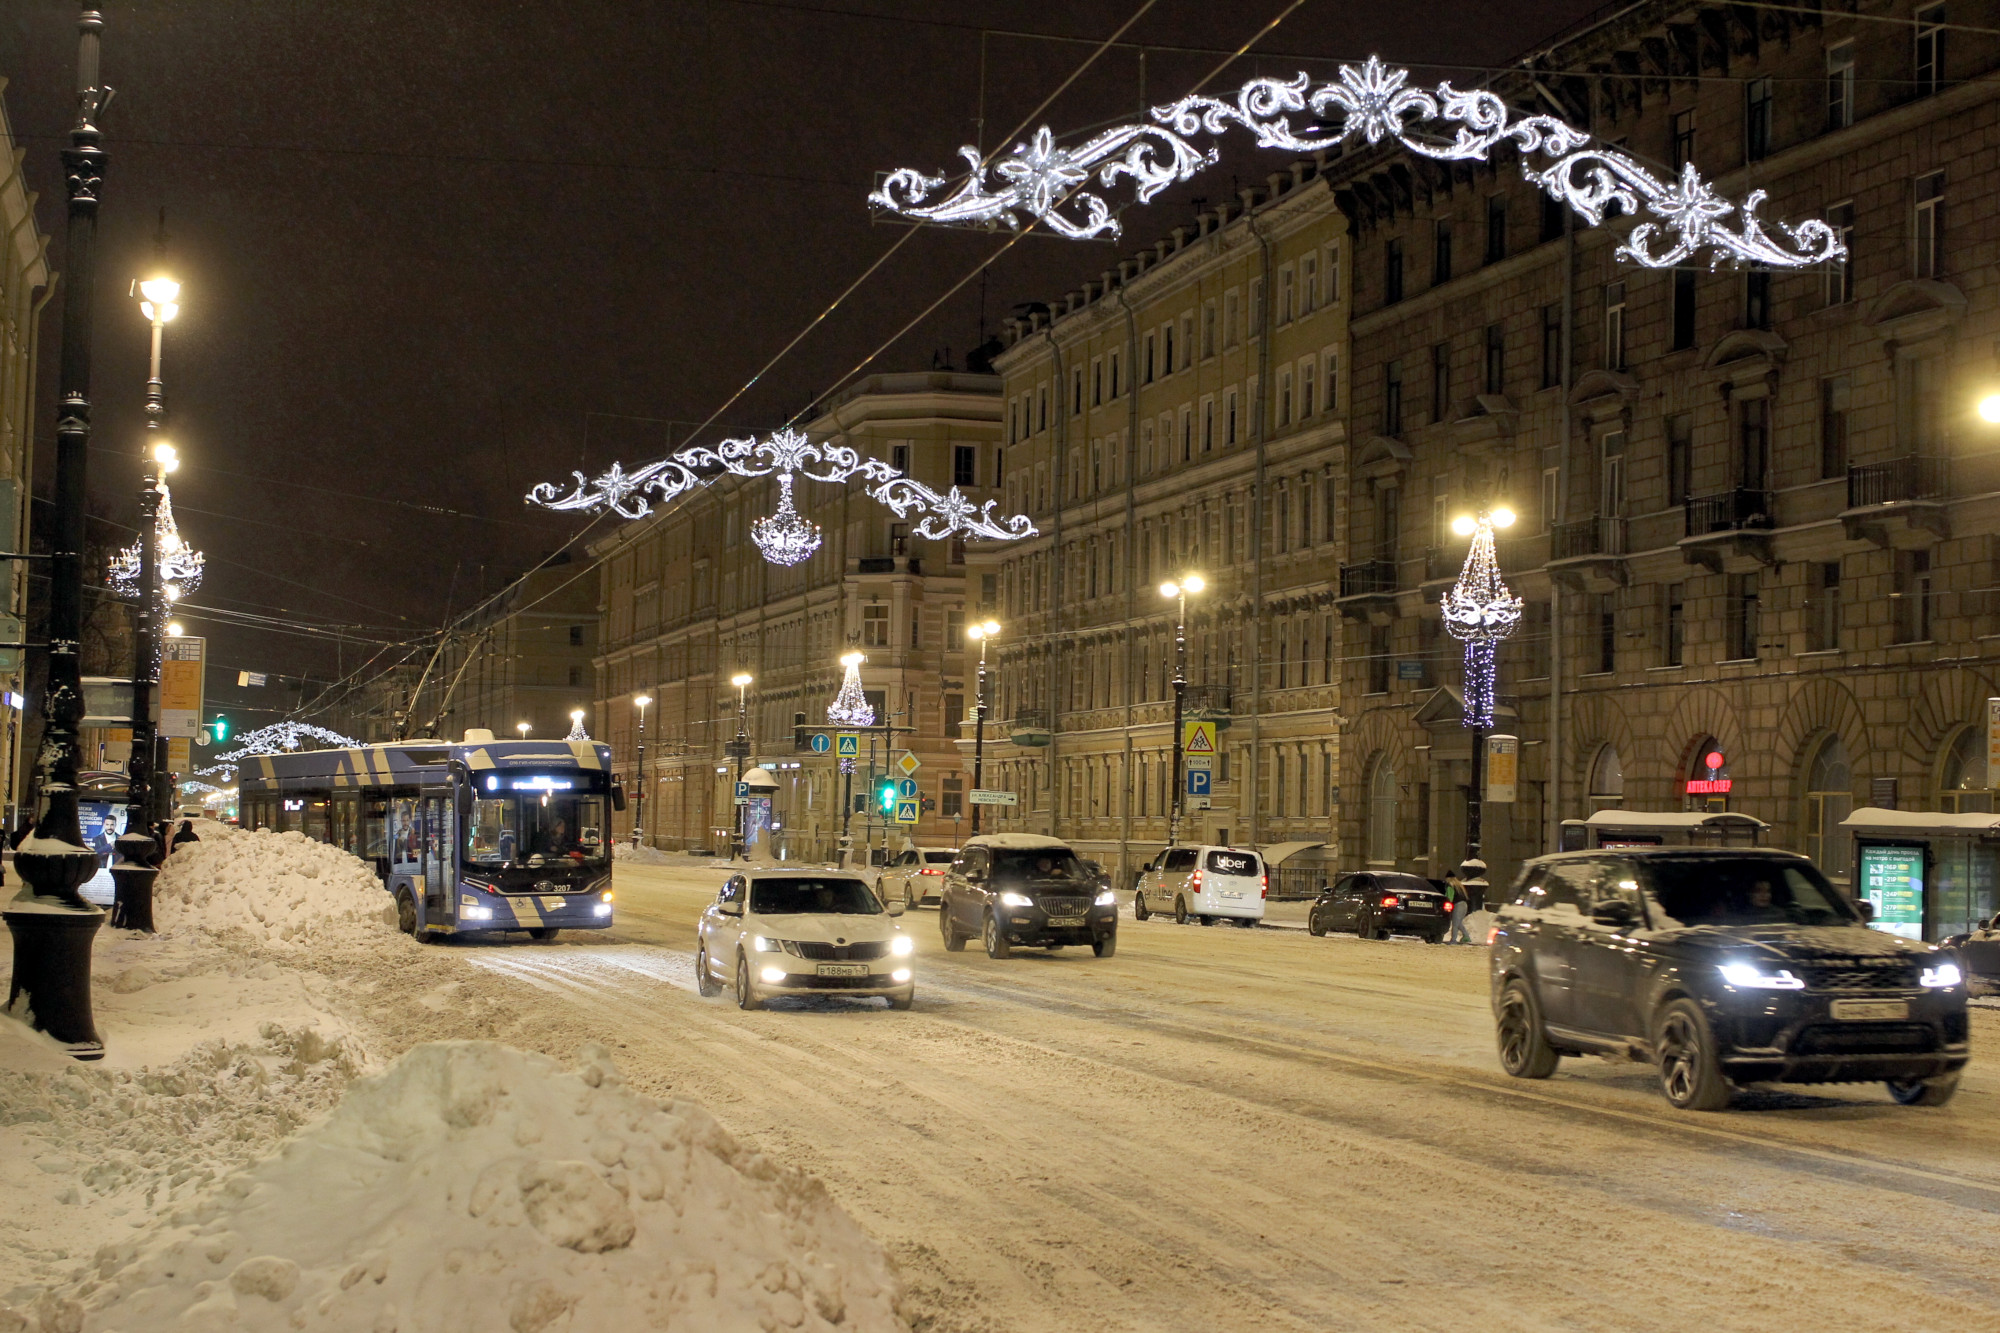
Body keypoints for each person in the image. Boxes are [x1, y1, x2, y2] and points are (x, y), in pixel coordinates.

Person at [1443, 871, 1471, 943]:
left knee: (1455, 923)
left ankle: (1453, 940)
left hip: (1457, 905)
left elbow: (1449, 898)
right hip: (1464, 905)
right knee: (1458, 923)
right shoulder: (1459, 886)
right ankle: (1466, 936)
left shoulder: (1450, 886)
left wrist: (1446, 904)